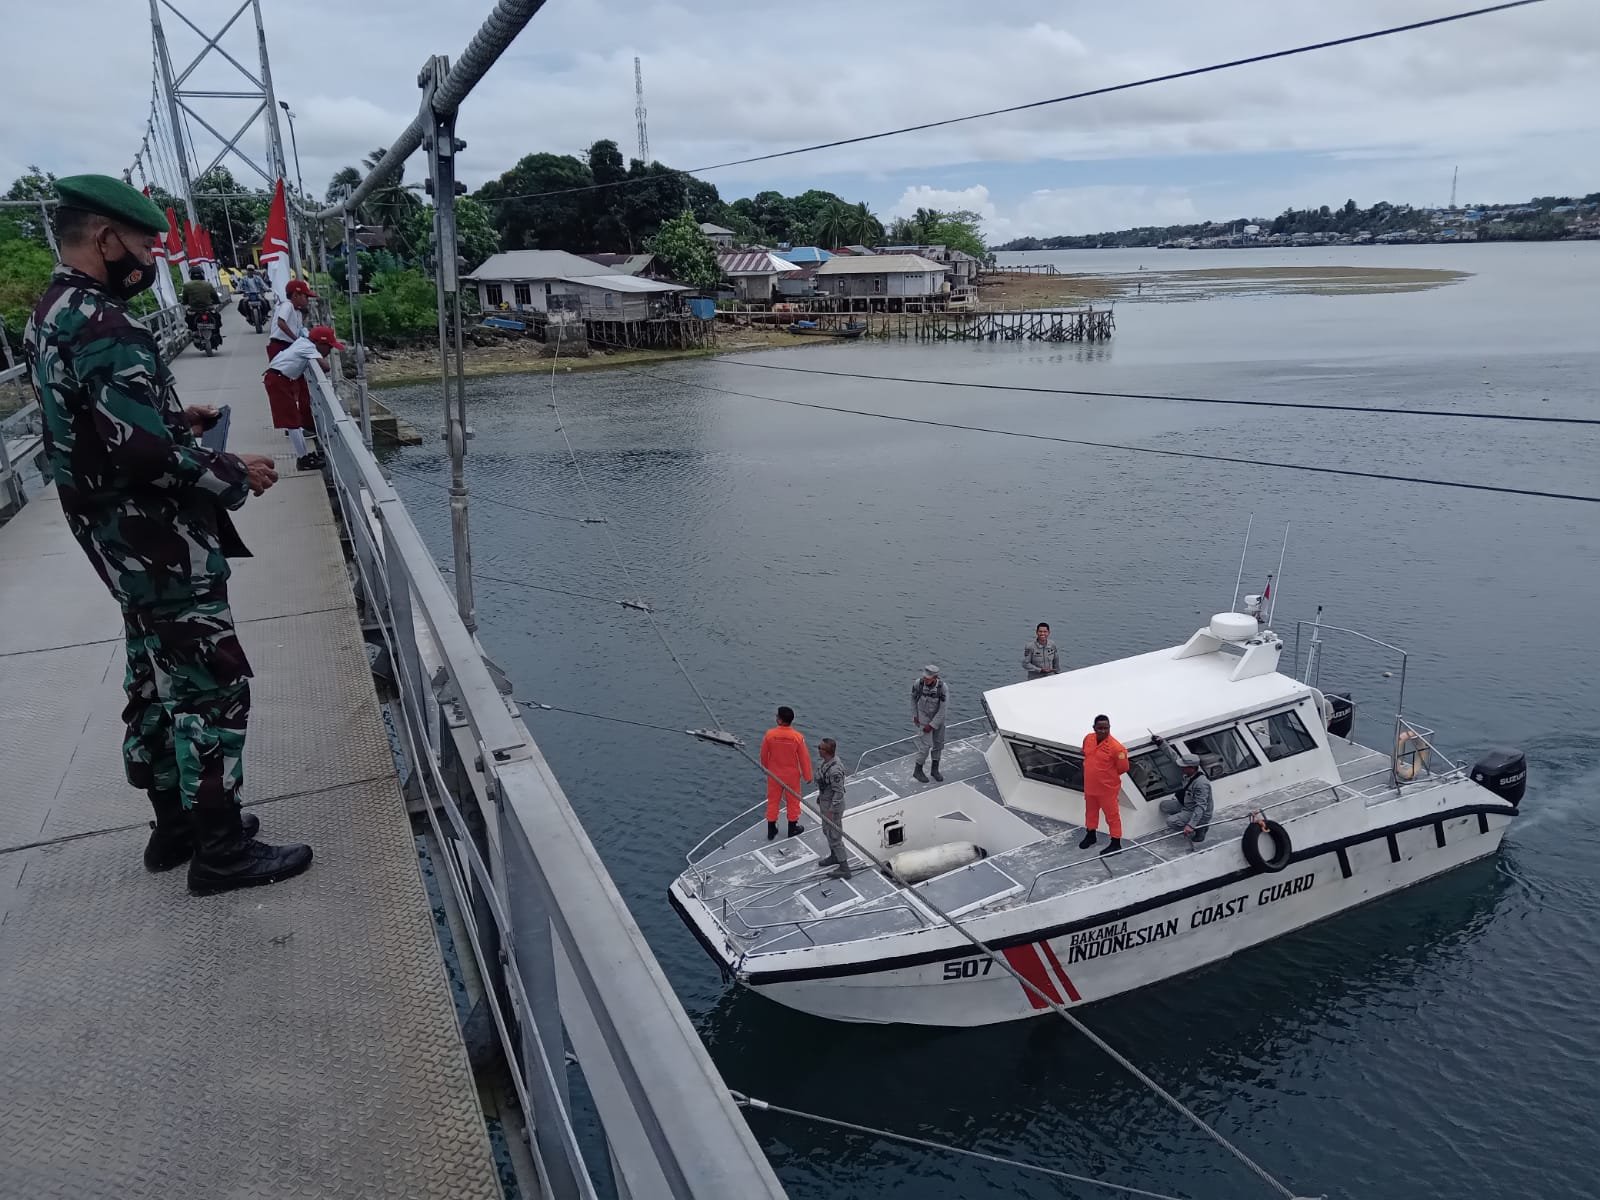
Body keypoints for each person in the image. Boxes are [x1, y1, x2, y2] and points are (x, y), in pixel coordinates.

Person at [24, 174, 312, 895]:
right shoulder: (106, 324)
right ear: (105, 238)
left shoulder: (53, 312)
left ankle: (176, 828)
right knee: (211, 687)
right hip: (157, 541)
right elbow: (142, 457)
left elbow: (93, 429)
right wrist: (230, 470)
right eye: (148, 242)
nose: (155, 256)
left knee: (154, 682)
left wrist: (175, 421)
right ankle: (221, 850)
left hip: (112, 539)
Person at [265, 324, 344, 470]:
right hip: (278, 380)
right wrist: (319, 356)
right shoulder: (308, 347)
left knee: (293, 421)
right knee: (292, 422)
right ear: (320, 343)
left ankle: (305, 456)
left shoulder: (303, 342)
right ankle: (302, 459)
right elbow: (326, 367)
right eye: (329, 347)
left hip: (280, 378)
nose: (330, 350)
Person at [760, 706, 812, 840]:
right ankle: (792, 829)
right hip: (792, 776)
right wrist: (808, 776)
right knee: (793, 802)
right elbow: (804, 758)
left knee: (773, 801)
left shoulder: (769, 735)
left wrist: (765, 768)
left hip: (774, 775)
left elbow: (764, 755)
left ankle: (771, 830)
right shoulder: (797, 737)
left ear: (780, 720)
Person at [1080, 714, 1128, 855]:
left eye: (1105, 728)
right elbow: (1085, 753)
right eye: (1099, 728)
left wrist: (1106, 776)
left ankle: (1115, 842)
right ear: (1094, 728)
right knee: (1090, 813)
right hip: (1090, 787)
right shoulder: (1088, 739)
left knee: (1112, 816)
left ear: (1109, 728)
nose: (1102, 731)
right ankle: (1090, 835)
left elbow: (1123, 768)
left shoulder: (1117, 748)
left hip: (1107, 789)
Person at [1157, 747, 1213, 847]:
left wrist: (1191, 825)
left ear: (1191, 767)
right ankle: (1185, 818)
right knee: (1164, 806)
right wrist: (1162, 744)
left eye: (1184, 766)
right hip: (1187, 804)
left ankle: (1200, 827)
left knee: (1171, 822)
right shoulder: (1190, 772)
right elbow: (1175, 758)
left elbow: (1201, 806)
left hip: (1198, 811)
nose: (1181, 768)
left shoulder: (1201, 784)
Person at [813, 737, 850, 878]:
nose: (818, 749)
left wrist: (831, 810)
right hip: (825, 802)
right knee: (826, 831)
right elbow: (826, 786)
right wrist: (821, 796)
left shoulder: (834, 770)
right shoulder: (826, 764)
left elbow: (839, 792)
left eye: (820, 748)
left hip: (832, 807)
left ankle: (844, 868)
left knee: (835, 836)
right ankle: (834, 856)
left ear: (826, 751)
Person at [910, 664, 948, 784]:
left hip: (938, 718)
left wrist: (932, 725)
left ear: (935, 677)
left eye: (928, 678)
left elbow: (943, 709)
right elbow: (913, 699)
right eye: (924, 677)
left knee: (938, 744)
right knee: (925, 746)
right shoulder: (918, 684)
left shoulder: (942, 688)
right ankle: (918, 770)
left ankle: (935, 770)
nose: (925, 680)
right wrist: (915, 715)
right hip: (923, 716)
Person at [181, 265, 221, 343]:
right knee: (217, 317)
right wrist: (217, 302)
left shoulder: (186, 285)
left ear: (191, 275)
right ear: (202, 274)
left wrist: (185, 303)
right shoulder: (208, 284)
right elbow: (214, 296)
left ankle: (194, 331)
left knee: (188, 318)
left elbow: (184, 299)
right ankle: (216, 333)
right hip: (208, 308)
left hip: (194, 309)